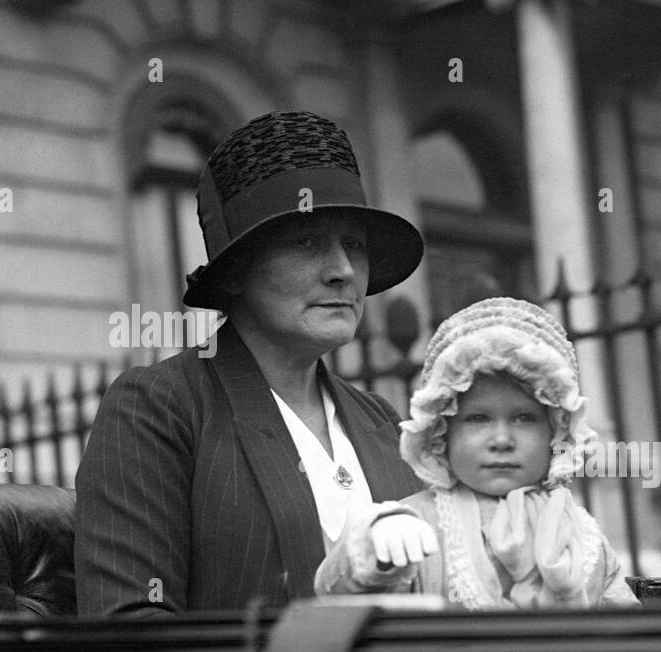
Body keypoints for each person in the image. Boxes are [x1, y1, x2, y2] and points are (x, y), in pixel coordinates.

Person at [75, 110, 433, 616]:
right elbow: (130, 629)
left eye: (353, 244)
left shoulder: (385, 422)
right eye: (307, 241)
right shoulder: (159, 408)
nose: (343, 270)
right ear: (239, 269)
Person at [321, 297, 639, 609]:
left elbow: (632, 636)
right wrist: (371, 556)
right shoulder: (416, 524)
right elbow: (337, 606)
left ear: (556, 430)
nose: (501, 439)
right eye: (478, 419)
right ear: (441, 432)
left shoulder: (582, 533)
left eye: (524, 418)